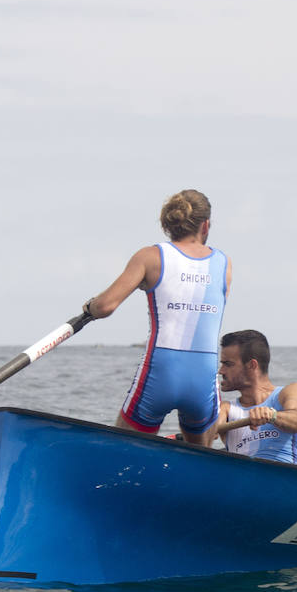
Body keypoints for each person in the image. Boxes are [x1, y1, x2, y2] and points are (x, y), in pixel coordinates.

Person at [83, 190, 231, 446]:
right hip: (204, 374)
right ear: (205, 225)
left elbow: (106, 306)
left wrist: (89, 307)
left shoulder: (150, 257)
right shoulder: (223, 263)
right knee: (199, 458)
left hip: (162, 369)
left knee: (126, 451)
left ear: (167, 224)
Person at [214, 330, 297, 463]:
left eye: (228, 364)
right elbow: (207, 434)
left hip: (285, 478)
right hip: (242, 479)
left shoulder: (290, 391)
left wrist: (272, 416)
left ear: (251, 365)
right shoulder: (225, 409)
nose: (221, 371)